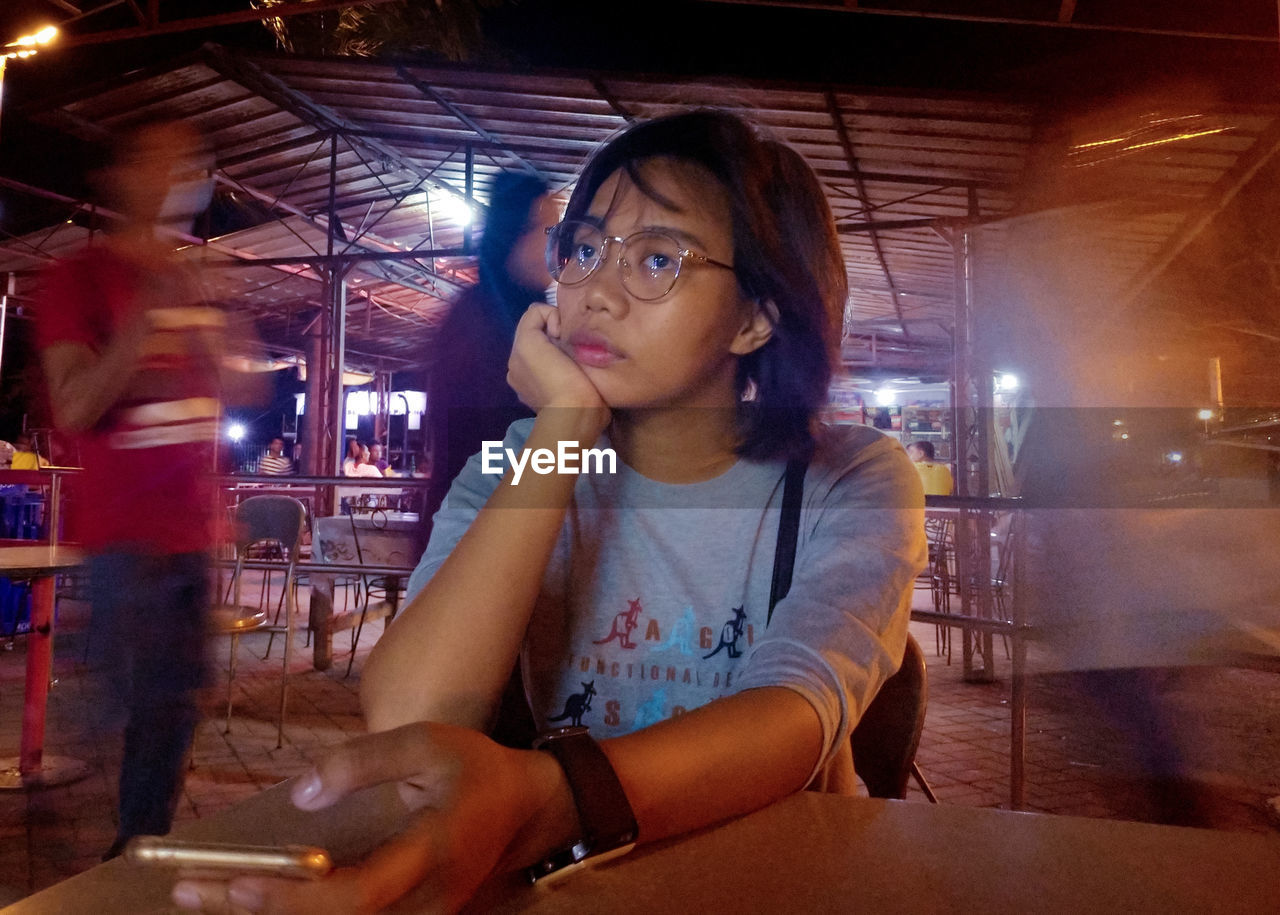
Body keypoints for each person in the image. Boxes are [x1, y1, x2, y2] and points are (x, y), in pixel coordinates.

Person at [172, 109, 925, 914]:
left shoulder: (851, 479)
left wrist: (544, 795)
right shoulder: (521, 464)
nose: (596, 291)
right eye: (587, 248)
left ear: (754, 317)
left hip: (775, 882)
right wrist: (565, 427)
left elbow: (796, 709)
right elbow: (413, 714)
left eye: (659, 258)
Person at [35, 120, 264, 860]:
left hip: (195, 531)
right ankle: (128, 837)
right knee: (140, 697)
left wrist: (227, 339)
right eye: (162, 161)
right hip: (125, 534)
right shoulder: (78, 279)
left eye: (194, 165)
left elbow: (244, 389)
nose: (182, 178)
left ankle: (139, 842)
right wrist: (146, 318)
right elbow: (73, 405)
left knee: (172, 700)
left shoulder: (194, 277)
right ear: (120, 178)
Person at [421, 171, 558, 538]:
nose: (557, 248)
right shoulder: (484, 323)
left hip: (497, 525)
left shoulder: (522, 316)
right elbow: (490, 445)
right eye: (548, 231)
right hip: (483, 530)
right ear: (513, 234)